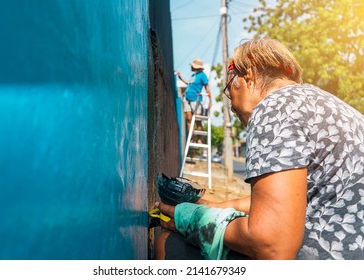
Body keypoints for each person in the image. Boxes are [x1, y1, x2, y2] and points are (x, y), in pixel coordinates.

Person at [155, 38, 364, 260]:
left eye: (228, 89)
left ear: (248, 75)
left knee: (170, 245)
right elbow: (287, 197)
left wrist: (194, 219)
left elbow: (273, 245)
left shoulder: (273, 107)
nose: (232, 104)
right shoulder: (330, 107)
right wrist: (214, 206)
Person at [176, 59, 212, 142]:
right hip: (187, 98)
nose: (191, 67)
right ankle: (191, 137)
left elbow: (207, 88)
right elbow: (188, 84)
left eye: (192, 66)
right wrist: (180, 77)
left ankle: (199, 138)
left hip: (196, 100)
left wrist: (210, 101)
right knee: (189, 118)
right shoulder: (193, 76)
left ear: (196, 67)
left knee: (197, 120)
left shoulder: (202, 75)